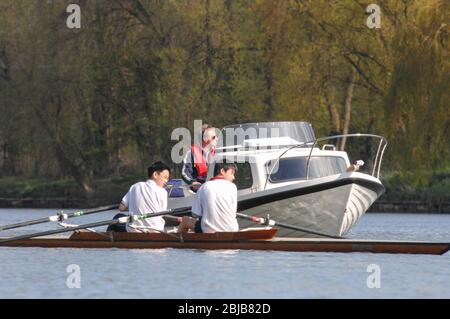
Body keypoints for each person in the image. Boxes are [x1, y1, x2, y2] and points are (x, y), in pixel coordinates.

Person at [108, 161, 171, 233]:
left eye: (167, 179)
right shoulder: (163, 192)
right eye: (165, 177)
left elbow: (121, 208)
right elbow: (161, 213)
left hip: (134, 230)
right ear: (155, 174)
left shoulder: (135, 186)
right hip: (156, 230)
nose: (166, 181)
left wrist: (135, 206)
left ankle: (106, 241)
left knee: (118, 217)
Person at [178, 162, 238, 233]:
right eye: (232, 173)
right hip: (232, 230)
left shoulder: (203, 187)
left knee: (185, 220)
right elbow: (233, 212)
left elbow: (195, 214)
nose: (233, 177)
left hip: (209, 231)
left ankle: (179, 242)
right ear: (222, 171)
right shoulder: (233, 187)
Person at [181, 124, 218, 191]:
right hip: (197, 190)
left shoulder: (218, 152)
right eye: (214, 137)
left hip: (213, 189)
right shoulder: (191, 153)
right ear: (205, 139)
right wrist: (192, 182)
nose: (217, 139)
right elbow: (185, 172)